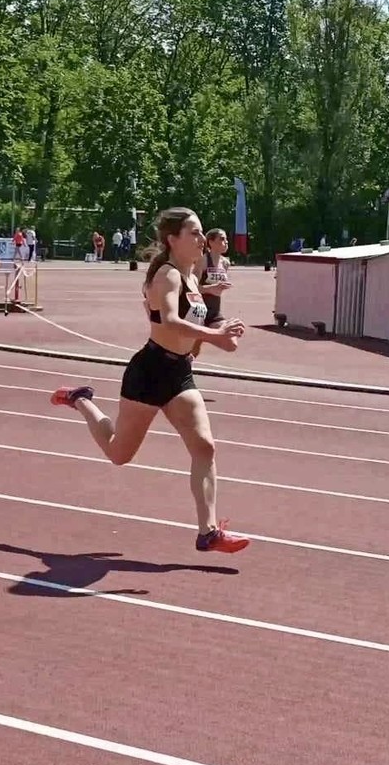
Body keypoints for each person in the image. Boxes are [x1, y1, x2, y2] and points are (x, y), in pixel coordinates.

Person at [50, 208, 248, 553]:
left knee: (204, 447)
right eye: (195, 233)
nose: (202, 239)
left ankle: (208, 532)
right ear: (173, 239)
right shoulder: (168, 275)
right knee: (119, 453)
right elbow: (169, 321)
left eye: (202, 233)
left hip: (179, 373)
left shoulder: (191, 278)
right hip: (151, 371)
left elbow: (189, 326)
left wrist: (217, 337)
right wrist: (214, 336)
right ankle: (81, 400)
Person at [191, 227, 235, 357]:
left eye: (226, 239)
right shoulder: (203, 260)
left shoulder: (225, 263)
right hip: (198, 310)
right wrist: (209, 289)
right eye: (222, 239)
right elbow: (191, 287)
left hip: (214, 311)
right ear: (211, 242)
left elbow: (218, 286)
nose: (226, 242)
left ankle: (203, 334)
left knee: (231, 343)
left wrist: (221, 287)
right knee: (193, 349)